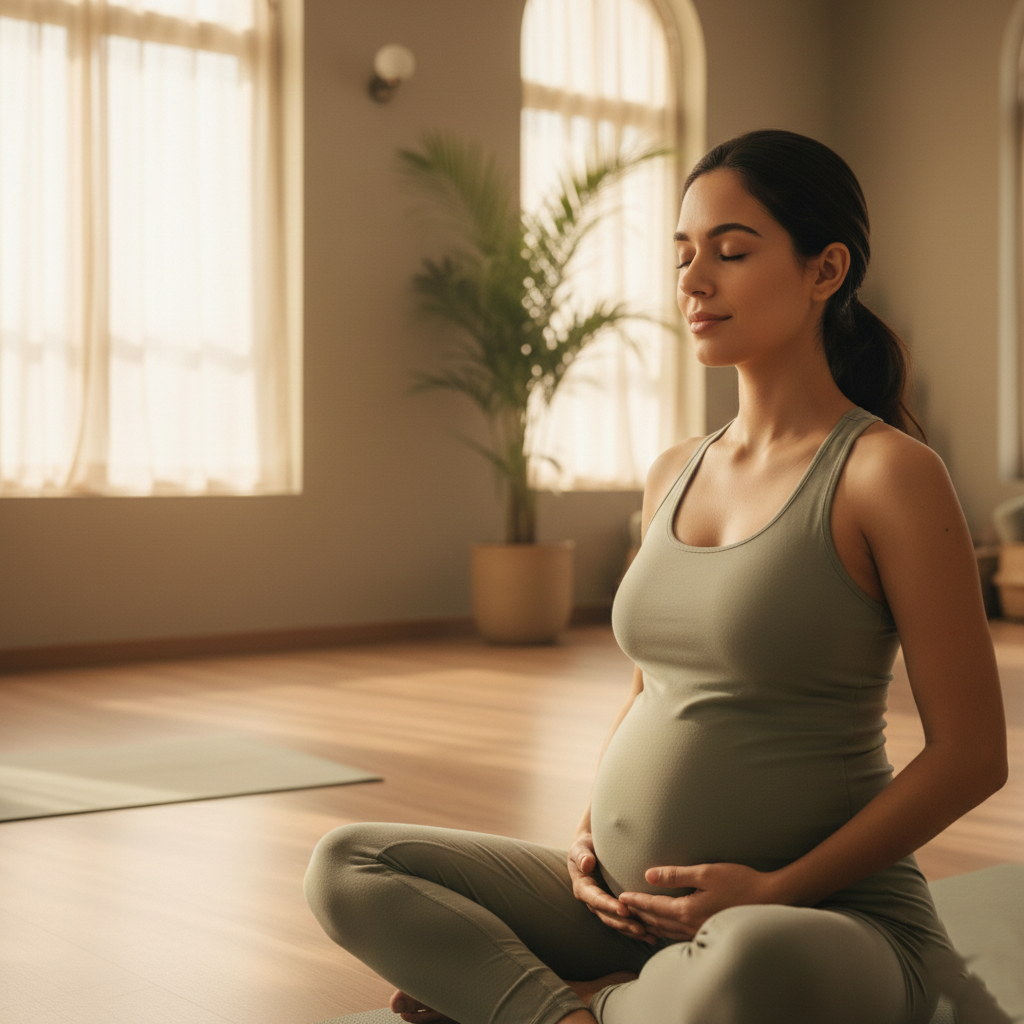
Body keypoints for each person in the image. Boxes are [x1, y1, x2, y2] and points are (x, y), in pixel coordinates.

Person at [303, 130, 1009, 1024]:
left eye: (731, 251)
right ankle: (581, 1014)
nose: (694, 280)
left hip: (814, 922)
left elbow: (973, 757)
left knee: (751, 963)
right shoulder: (673, 468)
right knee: (350, 864)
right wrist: (594, 830)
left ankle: (563, 1007)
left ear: (825, 270)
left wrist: (773, 888)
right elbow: (651, 690)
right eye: (682, 256)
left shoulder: (886, 473)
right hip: (627, 913)